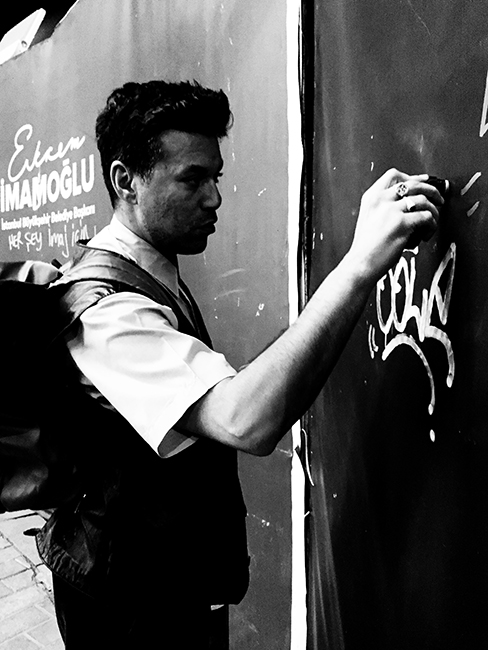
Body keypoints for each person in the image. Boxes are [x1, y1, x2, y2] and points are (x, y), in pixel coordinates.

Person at [37, 80, 443, 649]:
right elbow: (246, 420)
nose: (215, 199)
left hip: (164, 586)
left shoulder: (148, 270)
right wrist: (359, 266)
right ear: (125, 181)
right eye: (192, 179)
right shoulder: (108, 313)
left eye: (216, 177)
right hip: (125, 606)